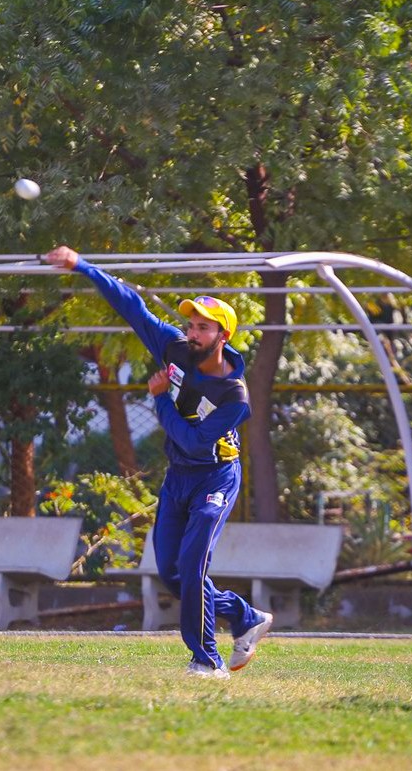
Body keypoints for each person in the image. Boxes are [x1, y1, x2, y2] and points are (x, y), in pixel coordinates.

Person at [46, 246, 273, 679]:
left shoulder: (234, 396)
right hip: (178, 478)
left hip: (215, 478)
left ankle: (206, 660)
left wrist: (160, 400)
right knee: (172, 574)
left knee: (192, 566)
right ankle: (245, 616)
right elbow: (132, 306)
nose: (192, 333)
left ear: (223, 336)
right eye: (191, 324)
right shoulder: (175, 348)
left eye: (203, 327)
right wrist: (82, 266)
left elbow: (192, 441)